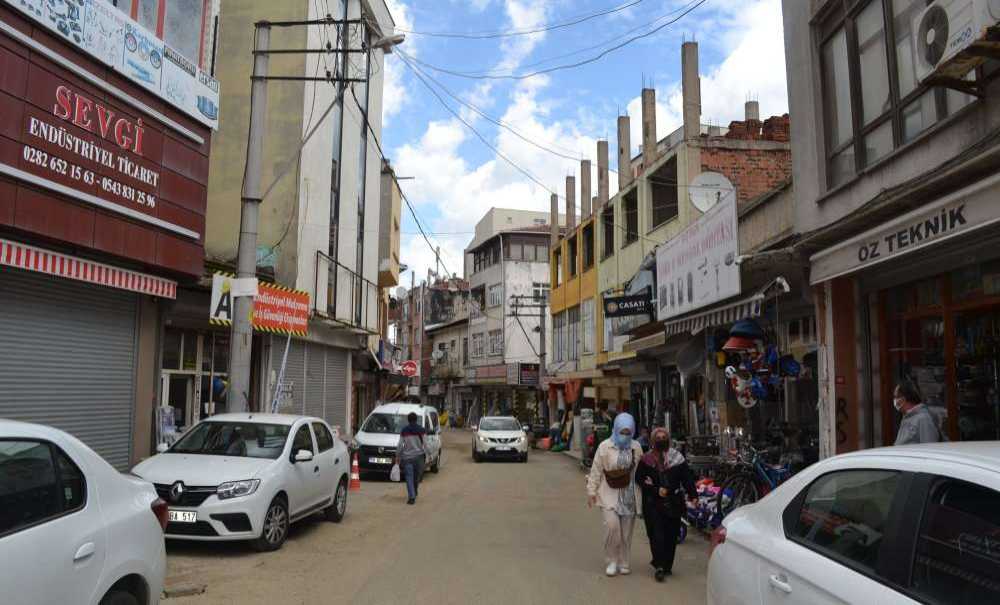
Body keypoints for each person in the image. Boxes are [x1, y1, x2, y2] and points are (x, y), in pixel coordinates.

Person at [635, 427, 697, 582]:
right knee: (656, 534)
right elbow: (639, 478)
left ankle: (667, 565)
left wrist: (693, 495)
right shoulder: (646, 460)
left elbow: (687, 478)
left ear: (668, 440)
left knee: (671, 534)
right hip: (652, 503)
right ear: (652, 440)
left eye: (664, 437)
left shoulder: (677, 458)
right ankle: (659, 566)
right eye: (658, 438)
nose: (661, 440)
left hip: (673, 502)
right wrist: (655, 489)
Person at [587, 413, 643, 577]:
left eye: (628, 432)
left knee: (626, 533)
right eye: (622, 432)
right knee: (612, 528)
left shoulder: (636, 447)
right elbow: (596, 470)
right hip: (608, 494)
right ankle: (612, 561)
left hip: (629, 496)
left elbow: (641, 471)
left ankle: (624, 562)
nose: (625, 435)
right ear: (616, 429)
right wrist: (591, 491)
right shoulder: (605, 447)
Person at [893, 381, 944, 445]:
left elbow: (929, 446)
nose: (895, 400)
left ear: (904, 398)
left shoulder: (924, 419)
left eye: (897, 397)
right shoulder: (907, 417)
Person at [394, 412, 428, 505]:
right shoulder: (421, 430)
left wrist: (397, 455)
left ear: (408, 420)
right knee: (416, 477)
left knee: (409, 477)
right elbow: (426, 443)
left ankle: (411, 497)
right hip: (419, 457)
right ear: (416, 419)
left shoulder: (404, 430)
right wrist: (429, 454)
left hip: (407, 458)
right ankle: (414, 492)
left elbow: (400, 445)